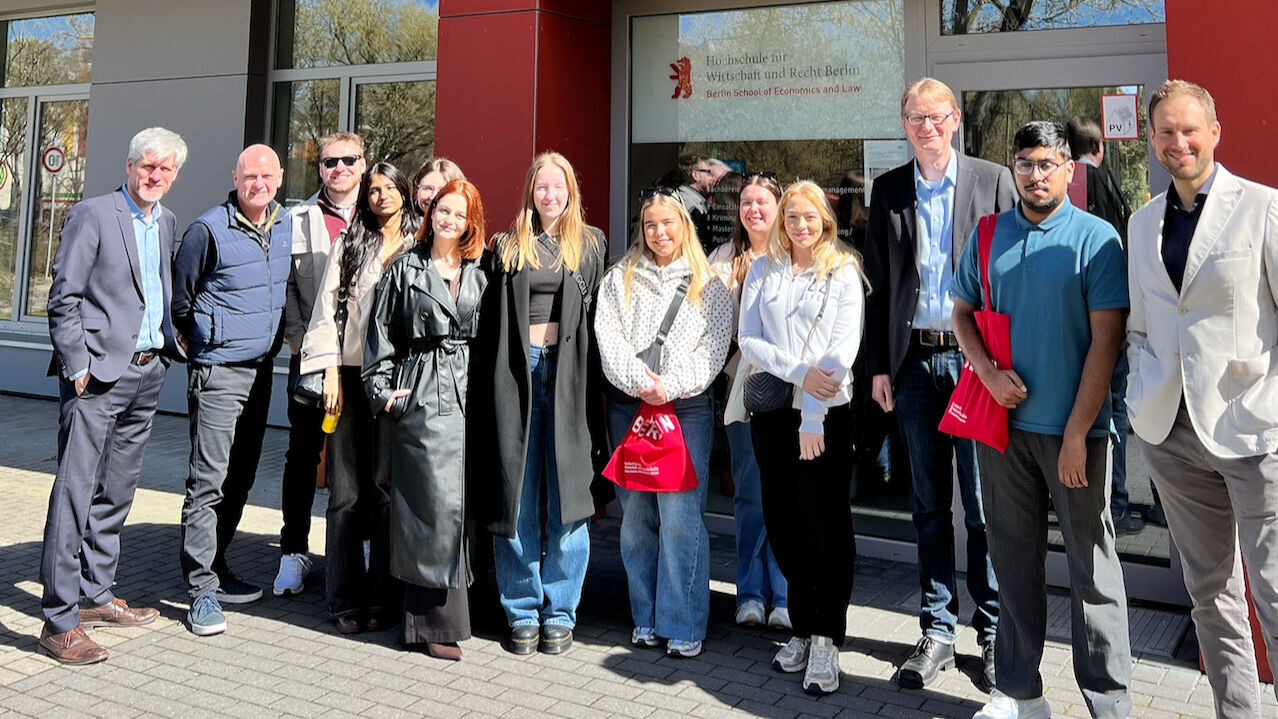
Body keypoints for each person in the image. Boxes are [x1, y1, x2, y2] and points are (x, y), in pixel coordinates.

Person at [952, 121, 1132, 719]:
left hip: (1075, 434)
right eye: (1025, 164)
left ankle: (1108, 701)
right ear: (1014, 170)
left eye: (1047, 163)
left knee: (1092, 567)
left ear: (1069, 169)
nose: (1035, 175)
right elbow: (961, 314)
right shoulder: (986, 234)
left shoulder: (1097, 239)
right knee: (1013, 561)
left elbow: (1105, 346)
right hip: (1002, 433)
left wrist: (1078, 434)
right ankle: (1021, 693)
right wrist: (987, 375)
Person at [1126, 79, 1278, 718]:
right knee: (1210, 595)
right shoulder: (1141, 222)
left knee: (1273, 592)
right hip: (1172, 436)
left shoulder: (1262, 208)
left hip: (1252, 429)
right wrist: (1139, 393)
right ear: (1153, 140)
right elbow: (1141, 322)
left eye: (1190, 129)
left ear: (1215, 132)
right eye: (1165, 131)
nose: (1178, 142)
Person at [864, 76, 1015, 692]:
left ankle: (994, 628)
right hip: (914, 367)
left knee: (982, 507)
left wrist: (1006, 363)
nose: (926, 127)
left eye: (936, 116)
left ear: (955, 120)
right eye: (914, 118)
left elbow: (1013, 273)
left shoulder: (991, 181)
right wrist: (877, 365)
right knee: (927, 506)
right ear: (904, 124)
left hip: (974, 363)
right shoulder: (888, 189)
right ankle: (937, 630)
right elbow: (877, 284)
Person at [39, 127, 187, 665]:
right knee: (74, 493)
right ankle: (58, 620)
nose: (156, 176)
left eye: (166, 169)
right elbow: (64, 297)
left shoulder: (167, 221)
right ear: (129, 166)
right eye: (148, 166)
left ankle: (95, 594)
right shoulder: (94, 213)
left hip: (148, 372)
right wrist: (78, 366)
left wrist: (170, 346)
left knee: (117, 491)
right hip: (98, 376)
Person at [476, 152, 607, 656]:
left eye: (558, 187)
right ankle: (522, 609)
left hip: (568, 372)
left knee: (570, 493)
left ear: (570, 191)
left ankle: (560, 610)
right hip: (518, 372)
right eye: (541, 187)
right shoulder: (507, 247)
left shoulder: (590, 245)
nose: (550, 196)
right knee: (517, 494)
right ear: (530, 190)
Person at [738, 180, 866, 695]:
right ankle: (803, 625)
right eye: (791, 216)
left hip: (825, 416)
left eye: (809, 216)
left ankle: (828, 637)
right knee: (783, 520)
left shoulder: (842, 271)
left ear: (825, 220)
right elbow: (748, 337)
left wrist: (812, 413)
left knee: (826, 527)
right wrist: (795, 370)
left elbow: (843, 348)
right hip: (773, 413)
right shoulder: (765, 269)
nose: (800, 225)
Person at [597, 189, 732, 658]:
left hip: (686, 407)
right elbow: (608, 336)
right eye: (650, 224)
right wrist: (639, 382)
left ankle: (683, 621)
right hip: (630, 406)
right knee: (635, 516)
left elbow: (715, 345)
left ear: (685, 226)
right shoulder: (620, 278)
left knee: (679, 517)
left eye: (668, 223)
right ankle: (646, 616)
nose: (659, 232)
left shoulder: (708, 282)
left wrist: (669, 386)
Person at [365, 178, 489, 661]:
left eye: (460, 214)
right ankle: (427, 624)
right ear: (430, 212)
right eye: (443, 210)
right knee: (431, 510)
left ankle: (460, 613)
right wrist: (383, 391)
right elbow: (381, 333)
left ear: (470, 222)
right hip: (424, 393)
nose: (449, 220)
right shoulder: (405, 268)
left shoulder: (481, 270)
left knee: (463, 509)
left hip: (470, 395)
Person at [172, 144, 292, 636]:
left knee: (241, 477)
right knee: (208, 481)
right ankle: (200, 590)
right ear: (235, 177)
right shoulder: (208, 229)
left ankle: (218, 566)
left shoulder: (287, 225)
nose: (257, 183)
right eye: (249, 175)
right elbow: (180, 301)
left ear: (279, 178)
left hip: (262, 370)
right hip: (219, 372)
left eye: (266, 175)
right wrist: (206, 345)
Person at [300, 162, 418, 633]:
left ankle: (383, 596)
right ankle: (344, 596)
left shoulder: (419, 244)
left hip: (397, 381)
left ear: (404, 193)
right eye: (374, 190)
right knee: (347, 494)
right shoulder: (350, 242)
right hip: (349, 375)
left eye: (390, 188)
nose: (382, 196)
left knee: (388, 492)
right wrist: (329, 370)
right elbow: (326, 309)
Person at [276, 131, 366, 598]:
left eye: (349, 160)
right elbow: (290, 290)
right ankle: (294, 549)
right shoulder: (300, 219)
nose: (339, 169)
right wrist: (298, 346)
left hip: (367, 360)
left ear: (363, 163)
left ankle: (362, 548)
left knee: (363, 460)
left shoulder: (382, 216)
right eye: (330, 162)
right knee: (303, 454)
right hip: (312, 357)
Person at [707, 172, 790, 630]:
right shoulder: (723, 259)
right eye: (745, 202)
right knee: (749, 495)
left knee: (783, 492)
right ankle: (750, 593)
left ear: (778, 206)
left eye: (762, 201)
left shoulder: (791, 254)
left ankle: (783, 593)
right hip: (742, 392)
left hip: (789, 394)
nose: (753, 209)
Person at [1065, 116, 1143, 537]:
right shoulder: (1108, 188)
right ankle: (1117, 502)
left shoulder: (1062, 189)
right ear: (1098, 149)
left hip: (1070, 325)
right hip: (1110, 321)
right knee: (1113, 409)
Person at [677, 153, 713, 249]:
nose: (712, 178)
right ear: (696, 175)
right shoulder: (686, 203)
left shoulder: (698, 200)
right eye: (708, 173)